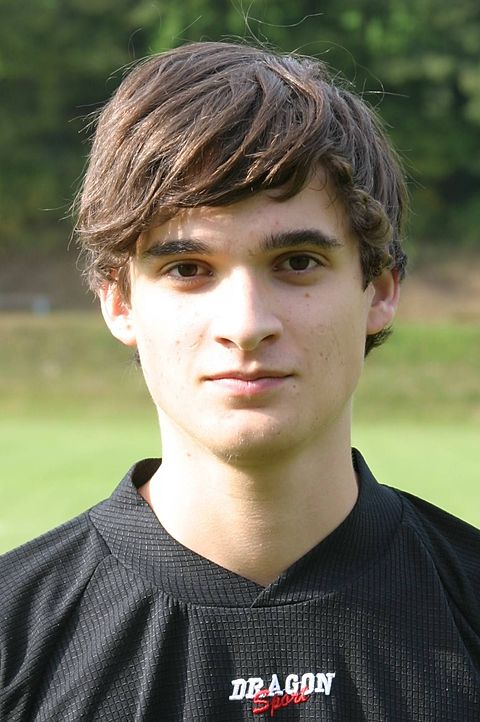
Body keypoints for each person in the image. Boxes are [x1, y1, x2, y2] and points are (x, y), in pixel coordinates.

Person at [1, 41, 479, 722]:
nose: (246, 325)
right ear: (119, 300)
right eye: (188, 269)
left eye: (298, 261)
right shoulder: (14, 642)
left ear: (379, 289)